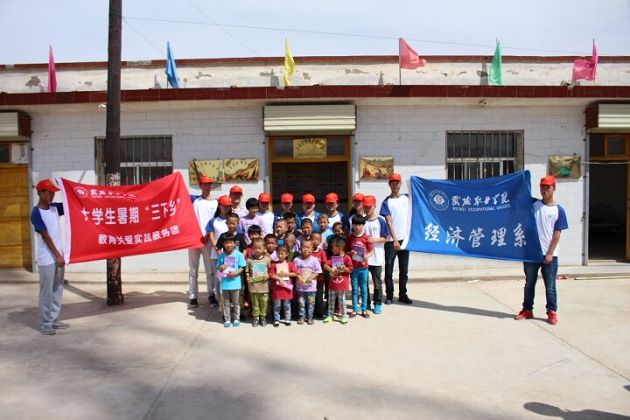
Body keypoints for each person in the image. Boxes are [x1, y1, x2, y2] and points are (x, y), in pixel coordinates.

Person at [515, 175, 569, 325]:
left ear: (554, 189)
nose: (544, 190)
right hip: (531, 254)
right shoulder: (533, 204)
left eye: (548, 187)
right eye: (542, 187)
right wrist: (520, 179)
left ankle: (551, 311)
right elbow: (519, 196)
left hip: (550, 256)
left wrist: (550, 253)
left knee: (550, 286)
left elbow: (557, 234)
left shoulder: (559, 210)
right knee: (529, 284)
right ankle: (527, 310)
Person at [31, 179, 68, 335]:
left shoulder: (55, 208)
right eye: (49, 192)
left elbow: (71, 205)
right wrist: (58, 255)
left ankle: (53, 319)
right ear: (40, 193)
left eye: (53, 193)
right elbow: (45, 236)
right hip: (47, 258)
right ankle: (45, 323)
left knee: (57, 289)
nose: (52, 195)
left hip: (59, 256)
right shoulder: (36, 212)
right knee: (46, 291)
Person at [380, 173, 412, 305]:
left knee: (404, 270)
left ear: (400, 184)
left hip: (405, 240)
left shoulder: (407, 198)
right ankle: (389, 295)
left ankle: (403, 294)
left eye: (397, 183)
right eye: (392, 183)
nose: (395, 185)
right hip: (391, 241)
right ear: (389, 184)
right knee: (389, 270)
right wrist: (394, 240)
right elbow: (389, 222)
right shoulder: (386, 202)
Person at [188, 176, 218, 307]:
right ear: (200, 185)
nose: (207, 186)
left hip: (208, 241)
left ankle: (211, 295)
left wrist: (209, 235)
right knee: (193, 270)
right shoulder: (195, 200)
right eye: (204, 184)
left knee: (210, 271)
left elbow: (215, 221)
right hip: (193, 240)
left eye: (209, 184)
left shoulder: (216, 203)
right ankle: (193, 296)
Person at [363, 195, 388, 315]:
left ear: (374, 206)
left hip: (377, 257)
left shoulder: (380, 220)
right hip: (364, 258)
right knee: (364, 282)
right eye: (365, 207)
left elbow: (385, 237)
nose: (367, 209)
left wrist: (374, 240)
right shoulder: (361, 220)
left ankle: (378, 303)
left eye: (369, 207)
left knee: (377, 282)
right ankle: (366, 302)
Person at [205, 195, 233, 308]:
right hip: (217, 254)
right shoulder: (213, 220)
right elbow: (211, 236)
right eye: (224, 206)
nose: (226, 208)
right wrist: (217, 248)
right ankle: (219, 300)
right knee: (219, 276)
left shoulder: (232, 220)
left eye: (228, 206)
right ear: (219, 206)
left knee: (229, 274)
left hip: (231, 254)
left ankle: (230, 300)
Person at [346, 215, 374, 318]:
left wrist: (367, 256)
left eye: (360, 224)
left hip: (364, 267)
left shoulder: (367, 237)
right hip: (353, 268)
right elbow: (346, 251)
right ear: (352, 225)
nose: (357, 227)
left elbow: (371, 251)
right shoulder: (350, 237)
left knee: (364, 288)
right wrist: (350, 253)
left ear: (363, 225)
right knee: (354, 289)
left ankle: (364, 309)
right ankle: (354, 309)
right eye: (355, 224)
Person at [216, 237, 246, 327]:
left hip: (235, 283)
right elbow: (218, 269)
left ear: (235, 244)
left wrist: (236, 273)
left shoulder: (239, 254)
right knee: (226, 303)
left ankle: (236, 318)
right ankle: (227, 319)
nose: (228, 245)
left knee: (236, 303)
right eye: (226, 243)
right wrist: (221, 268)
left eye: (230, 243)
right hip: (225, 284)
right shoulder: (221, 255)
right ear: (223, 244)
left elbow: (242, 267)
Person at [323, 237, 353, 324]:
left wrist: (344, 268)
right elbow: (325, 265)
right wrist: (331, 270)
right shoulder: (333, 258)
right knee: (331, 301)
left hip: (342, 285)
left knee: (342, 301)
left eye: (333, 248)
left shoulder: (347, 258)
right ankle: (330, 315)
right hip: (332, 284)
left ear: (339, 248)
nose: (332, 249)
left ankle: (344, 316)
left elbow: (350, 270)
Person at [293, 239, 322, 325]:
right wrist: (298, 276)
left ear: (312, 249)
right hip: (300, 288)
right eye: (304, 247)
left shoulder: (314, 260)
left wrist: (312, 276)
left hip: (311, 288)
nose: (306, 249)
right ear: (300, 248)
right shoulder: (296, 260)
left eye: (308, 247)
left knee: (311, 303)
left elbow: (318, 271)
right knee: (301, 303)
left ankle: (310, 317)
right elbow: (294, 271)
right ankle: (302, 317)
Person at [270, 244, 299, 326]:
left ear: (287, 254)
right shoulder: (274, 264)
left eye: (282, 254)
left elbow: (296, 273)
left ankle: (287, 319)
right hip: (277, 288)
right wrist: (279, 279)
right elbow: (271, 274)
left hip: (287, 288)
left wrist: (287, 274)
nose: (280, 255)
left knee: (287, 305)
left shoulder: (290, 264)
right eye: (278, 253)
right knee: (277, 305)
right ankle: (276, 319)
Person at [246, 238, 272, 327]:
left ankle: (263, 317)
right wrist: (248, 277)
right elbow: (247, 271)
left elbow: (271, 270)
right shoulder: (249, 260)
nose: (257, 250)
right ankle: (256, 317)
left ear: (264, 249)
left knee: (264, 303)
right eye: (255, 248)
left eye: (259, 248)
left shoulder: (267, 259)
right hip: (253, 287)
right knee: (255, 304)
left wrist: (268, 276)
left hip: (264, 286)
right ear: (252, 248)